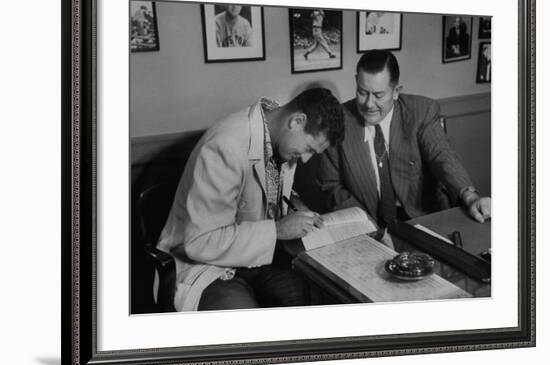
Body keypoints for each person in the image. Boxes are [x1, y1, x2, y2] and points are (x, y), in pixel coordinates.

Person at [156, 88, 345, 311]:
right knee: (248, 326)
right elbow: (200, 242)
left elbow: (263, 191)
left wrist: (296, 207)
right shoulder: (225, 145)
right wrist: (278, 230)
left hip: (254, 260)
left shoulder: (280, 139)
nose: (305, 159)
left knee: (315, 299)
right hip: (204, 266)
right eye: (308, 149)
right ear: (296, 121)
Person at [319, 50, 491, 234]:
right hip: (367, 226)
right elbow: (331, 186)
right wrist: (365, 224)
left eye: (378, 95)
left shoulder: (421, 111)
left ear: (396, 92)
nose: (369, 104)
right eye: (362, 92)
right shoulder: (339, 121)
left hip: (421, 220)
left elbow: (441, 155)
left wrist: (470, 196)